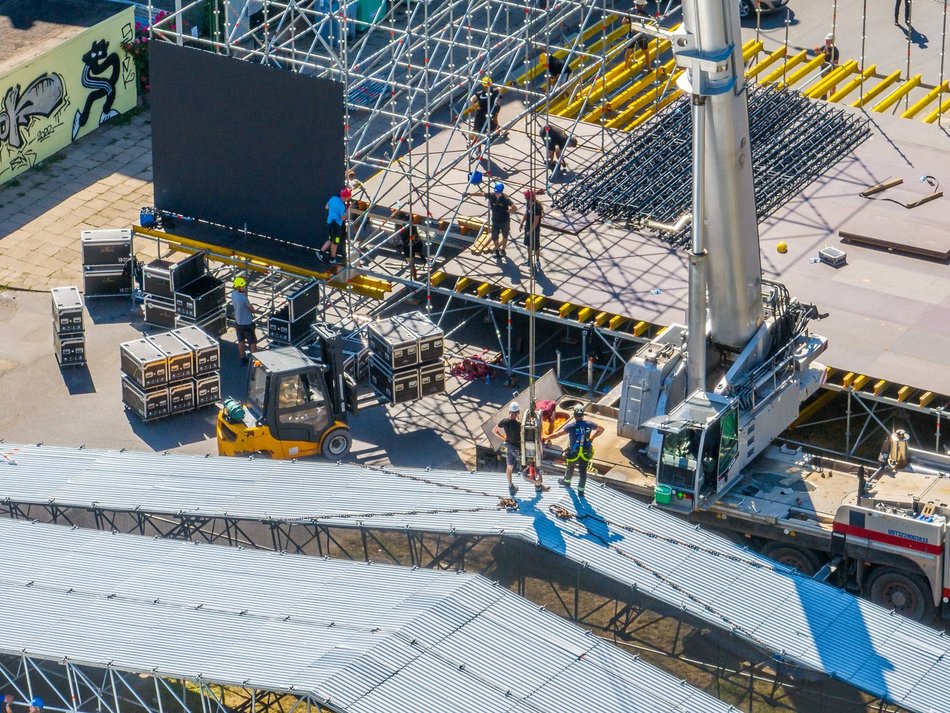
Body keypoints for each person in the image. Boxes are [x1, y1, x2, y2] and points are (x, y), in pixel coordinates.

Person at [543, 404, 604, 498]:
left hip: (574, 452)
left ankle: (567, 482)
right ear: (583, 415)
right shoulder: (589, 424)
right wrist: (592, 437)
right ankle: (581, 491)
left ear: (574, 415)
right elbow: (601, 429)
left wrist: (547, 437)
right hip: (585, 452)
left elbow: (558, 434)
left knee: (570, 467)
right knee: (583, 472)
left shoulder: (571, 426)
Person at [492, 401, 523, 495]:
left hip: (510, 448)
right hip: (519, 449)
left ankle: (510, 486)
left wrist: (503, 437)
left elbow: (494, 430)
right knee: (527, 465)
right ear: (518, 413)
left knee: (509, 468)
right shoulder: (519, 425)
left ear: (509, 411)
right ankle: (536, 484)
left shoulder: (504, 421)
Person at [485, 181, 515, 258]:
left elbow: (514, 207)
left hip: (505, 221)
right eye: (496, 192)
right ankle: (497, 250)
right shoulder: (492, 195)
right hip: (495, 221)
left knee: (505, 236)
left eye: (498, 192)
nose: (497, 194)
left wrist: (509, 211)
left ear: (501, 191)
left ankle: (503, 249)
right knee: (494, 237)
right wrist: (469, 194)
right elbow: (481, 194)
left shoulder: (505, 199)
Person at [231, 276, 257, 364]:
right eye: (243, 286)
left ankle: (242, 358)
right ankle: (254, 361)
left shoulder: (233, 294)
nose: (244, 288)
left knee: (241, 341)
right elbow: (251, 308)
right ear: (239, 287)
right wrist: (253, 309)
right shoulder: (243, 298)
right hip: (247, 324)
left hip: (238, 323)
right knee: (252, 342)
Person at [321, 188, 350, 264]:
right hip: (336, 225)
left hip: (330, 222)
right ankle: (332, 259)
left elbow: (326, 207)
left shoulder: (333, 198)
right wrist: (347, 211)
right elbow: (343, 218)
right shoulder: (342, 206)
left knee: (331, 239)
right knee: (335, 243)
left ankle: (321, 252)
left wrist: (333, 209)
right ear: (346, 197)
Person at [393, 209, 424, 279]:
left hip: (408, 245)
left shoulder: (399, 223)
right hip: (415, 241)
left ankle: (415, 278)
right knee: (414, 258)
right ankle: (419, 257)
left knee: (411, 263)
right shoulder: (408, 220)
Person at [812, 33, 840, 99]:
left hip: (830, 70)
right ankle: (824, 95)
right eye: (826, 40)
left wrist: (832, 64)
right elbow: (819, 54)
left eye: (828, 40)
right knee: (824, 83)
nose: (826, 41)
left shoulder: (835, 50)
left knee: (831, 84)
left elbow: (836, 62)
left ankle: (832, 97)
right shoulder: (824, 47)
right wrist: (817, 52)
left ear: (832, 41)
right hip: (824, 69)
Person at [521, 190, 543, 268]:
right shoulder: (528, 204)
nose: (524, 198)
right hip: (528, 227)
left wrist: (530, 231)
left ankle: (537, 260)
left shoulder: (537, 207)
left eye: (526, 197)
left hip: (535, 230)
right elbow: (526, 213)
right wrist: (521, 222)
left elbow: (536, 221)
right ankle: (530, 259)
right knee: (528, 245)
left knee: (536, 246)